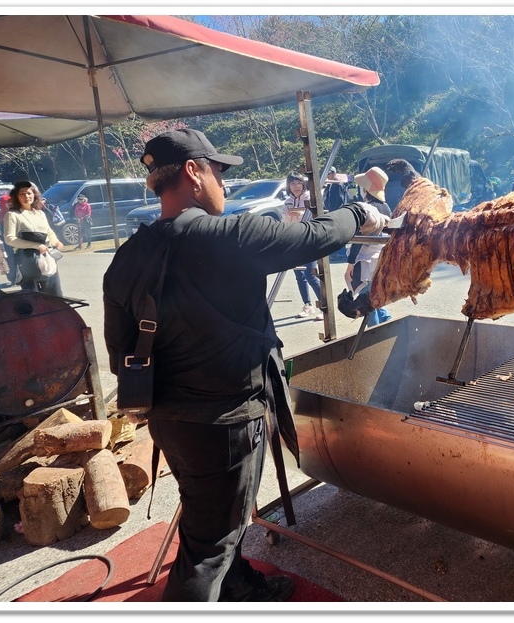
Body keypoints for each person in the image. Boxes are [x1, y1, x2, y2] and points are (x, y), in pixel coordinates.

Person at [102, 128, 387, 603]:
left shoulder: (127, 257)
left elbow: (119, 352)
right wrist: (361, 211)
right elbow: (314, 236)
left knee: (212, 519)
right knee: (208, 545)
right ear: (193, 172)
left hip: (169, 419)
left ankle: (235, 583)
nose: (225, 184)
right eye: (218, 171)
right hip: (227, 421)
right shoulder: (227, 236)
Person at [344, 167, 392, 326]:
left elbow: (360, 238)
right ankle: (388, 322)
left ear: (366, 189)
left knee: (368, 303)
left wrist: (350, 264)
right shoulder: (386, 207)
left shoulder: (368, 209)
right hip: (381, 259)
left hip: (366, 261)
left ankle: (375, 335)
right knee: (374, 296)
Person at [3, 181, 64, 296]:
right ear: (16, 196)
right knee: (33, 298)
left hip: (47, 258)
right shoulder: (12, 215)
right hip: (26, 260)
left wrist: (56, 241)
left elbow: (48, 231)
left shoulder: (40, 213)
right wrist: (36, 246)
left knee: (55, 295)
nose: (26, 196)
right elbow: (9, 239)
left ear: (34, 195)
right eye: (22, 194)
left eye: (29, 193)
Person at [283, 172, 323, 320]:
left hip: (308, 240)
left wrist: (298, 217)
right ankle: (307, 304)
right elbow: (285, 221)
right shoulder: (287, 201)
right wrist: (288, 215)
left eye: (298, 182)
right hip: (293, 241)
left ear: (303, 183)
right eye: (292, 183)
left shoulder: (310, 199)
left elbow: (313, 218)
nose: (296, 186)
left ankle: (324, 306)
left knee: (311, 274)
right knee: (299, 275)